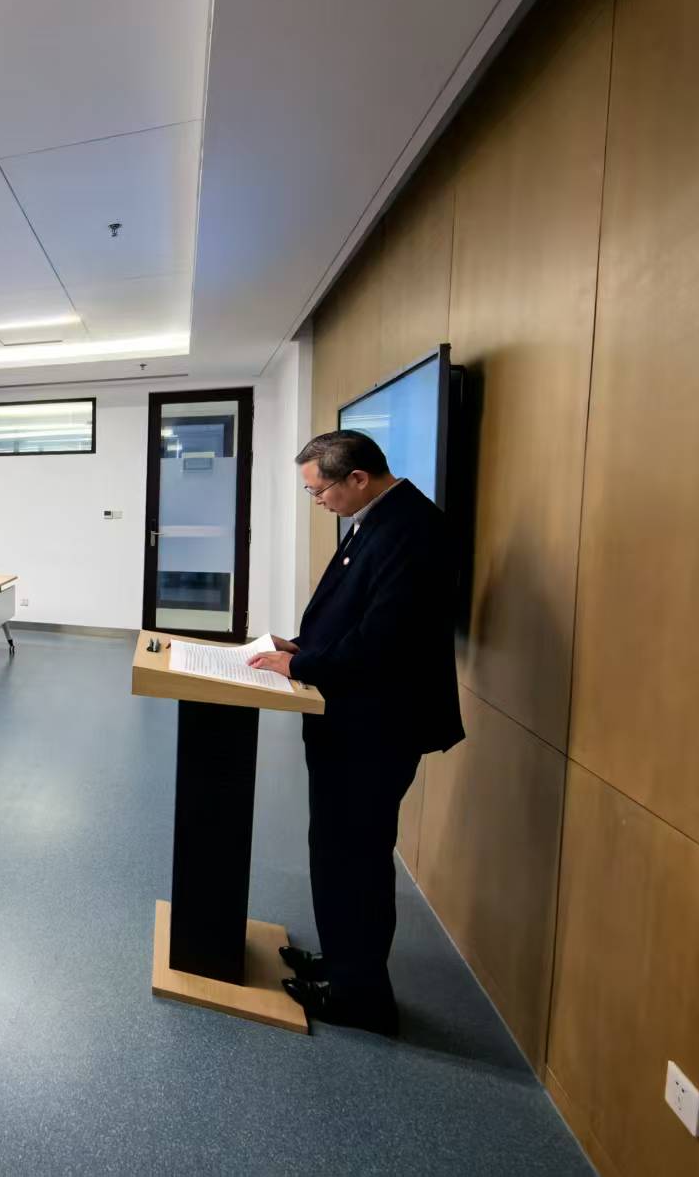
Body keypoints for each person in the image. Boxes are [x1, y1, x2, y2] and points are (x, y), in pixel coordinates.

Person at [247, 429, 463, 1036]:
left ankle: (361, 997)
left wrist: (304, 665)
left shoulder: (414, 530)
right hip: (353, 717)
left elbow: (384, 639)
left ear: (358, 478)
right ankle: (345, 963)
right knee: (337, 849)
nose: (318, 502)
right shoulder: (378, 518)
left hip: (377, 723)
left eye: (319, 492)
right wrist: (302, 646)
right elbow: (353, 613)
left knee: (356, 855)